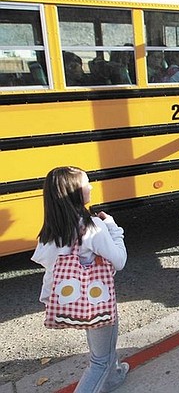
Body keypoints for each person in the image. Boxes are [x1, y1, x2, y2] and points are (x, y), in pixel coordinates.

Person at [32, 167, 129, 393]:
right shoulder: (92, 227)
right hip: (97, 298)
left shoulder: (51, 230)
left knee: (102, 343)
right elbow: (119, 260)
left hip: (74, 300)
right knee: (99, 360)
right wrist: (114, 229)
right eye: (87, 184)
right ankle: (107, 374)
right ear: (74, 192)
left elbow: (48, 263)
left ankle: (114, 377)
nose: (91, 187)